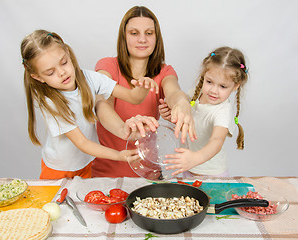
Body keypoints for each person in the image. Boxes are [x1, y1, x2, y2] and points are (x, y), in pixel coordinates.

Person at [21, 29, 159, 180]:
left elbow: (132, 97)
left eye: (64, 62)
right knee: (54, 203)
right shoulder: (51, 102)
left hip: (85, 163)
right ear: (38, 77)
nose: (62, 72)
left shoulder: (89, 78)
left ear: (68, 52)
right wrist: (118, 155)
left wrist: (144, 87)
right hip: (58, 168)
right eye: (50, 72)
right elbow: (82, 142)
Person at [92, 6, 196, 178]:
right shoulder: (107, 65)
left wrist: (182, 104)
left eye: (149, 33)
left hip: (149, 175)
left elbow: (174, 93)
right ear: (123, 37)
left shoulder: (164, 71)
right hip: (106, 174)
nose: (142, 39)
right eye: (134, 33)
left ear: (157, 38)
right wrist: (125, 131)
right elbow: (101, 104)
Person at [160, 46, 248, 177]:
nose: (213, 90)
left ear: (235, 86)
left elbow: (217, 141)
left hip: (212, 175)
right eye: (209, 82)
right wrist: (171, 115)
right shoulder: (196, 94)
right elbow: (188, 120)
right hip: (188, 168)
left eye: (222, 86)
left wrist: (195, 158)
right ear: (204, 75)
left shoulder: (222, 111)